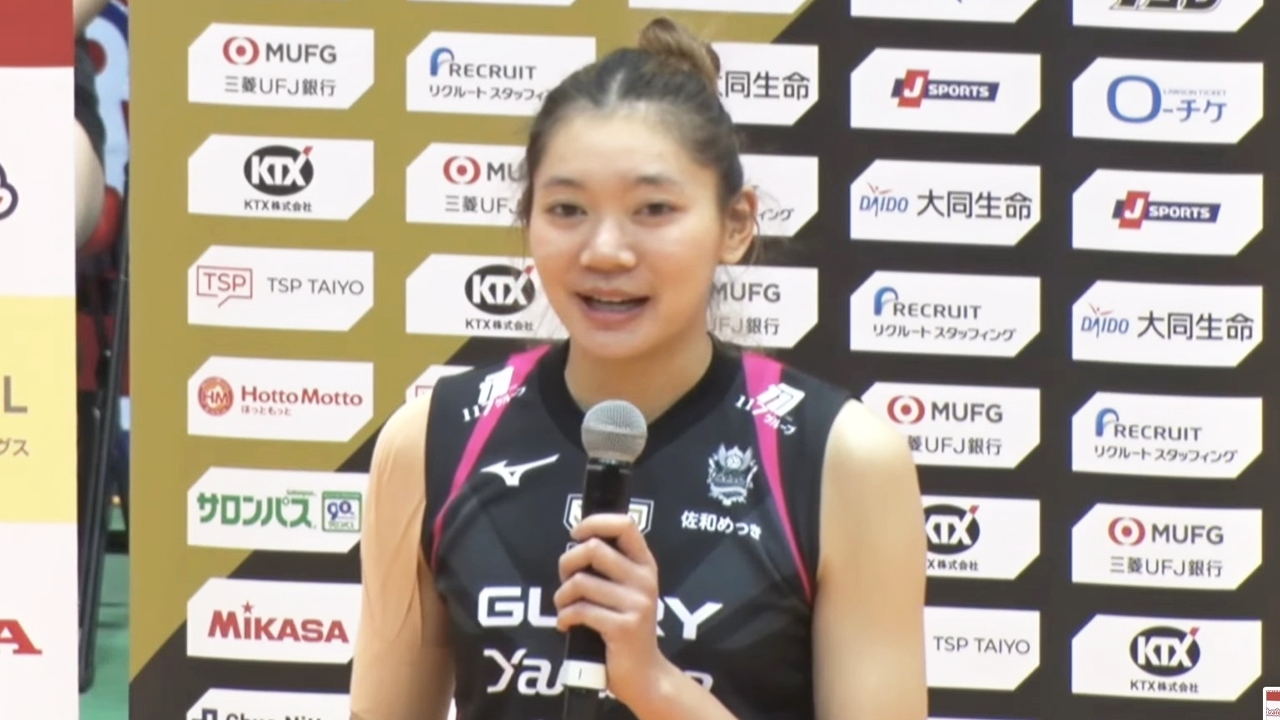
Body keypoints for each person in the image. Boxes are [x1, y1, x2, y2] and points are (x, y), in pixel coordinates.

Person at [350, 17, 927, 720]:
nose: (605, 251)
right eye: (567, 209)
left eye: (653, 209)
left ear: (736, 224)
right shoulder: (431, 441)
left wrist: (654, 685)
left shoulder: (841, 458)